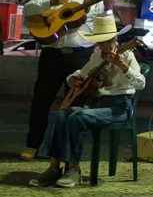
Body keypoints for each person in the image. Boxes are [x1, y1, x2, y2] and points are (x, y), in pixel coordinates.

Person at [28, 15, 145, 187]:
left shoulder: (127, 55)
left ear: (115, 39)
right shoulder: (97, 55)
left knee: (77, 117)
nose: (103, 46)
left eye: (106, 41)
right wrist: (72, 79)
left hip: (120, 108)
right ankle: (54, 167)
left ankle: (74, 169)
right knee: (59, 115)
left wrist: (122, 66)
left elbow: (141, 83)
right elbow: (80, 74)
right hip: (98, 105)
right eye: (100, 42)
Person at [21, 0, 118, 160]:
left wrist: (109, 8)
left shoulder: (97, 1)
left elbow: (108, 32)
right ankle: (33, 144)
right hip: (52, 55)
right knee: (41, 100)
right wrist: (52, 2)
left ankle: (63, 153)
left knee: (74, 106)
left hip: (80, 57)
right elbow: (28, 10)